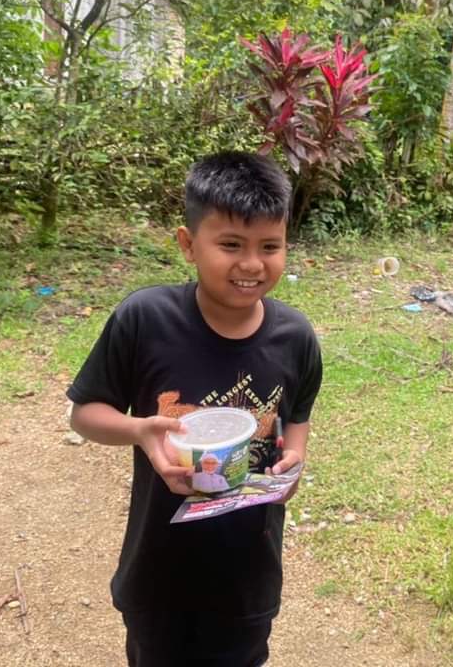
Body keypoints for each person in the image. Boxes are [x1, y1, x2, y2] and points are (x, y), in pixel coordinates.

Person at [68, 151, 322, 667]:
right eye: (230, 244)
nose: (251, 264)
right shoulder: (145, 320)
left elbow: (297, 414)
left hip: (248, 575)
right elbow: (85, 413)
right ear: (188, 244)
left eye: (270, 246)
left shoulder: (295, 337)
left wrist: (294, 459)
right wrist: (140, 431)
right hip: (159, 570)